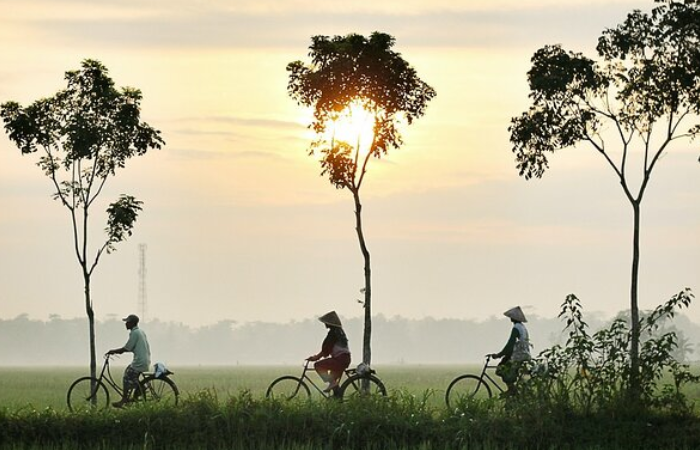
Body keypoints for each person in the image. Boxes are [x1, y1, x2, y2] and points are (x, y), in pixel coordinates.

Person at [106, 314, 151, 408]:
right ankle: (138, 388)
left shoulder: (135, 333)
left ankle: (125, 398)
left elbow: (127, 348)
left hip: (140, 362)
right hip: (144, 360)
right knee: (129, 373)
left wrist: (113, 351)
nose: (126, 324)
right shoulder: (140, 331)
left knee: (127, 377)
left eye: (127, 322)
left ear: (132, 323)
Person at [306, 311, 351, 396]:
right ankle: (337, 400)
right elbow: (326, 350)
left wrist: (315, 358)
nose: (325, 324)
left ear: (330, 323)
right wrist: (317, 356)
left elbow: (326, 349)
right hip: (344, 359)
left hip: (340, 359)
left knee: (318, 365)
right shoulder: (339, 332)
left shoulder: (333, 333)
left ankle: (333, 384)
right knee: (334, 385)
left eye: (326, 323)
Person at [489, 306, 531, 395]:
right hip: (524, 353)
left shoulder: (516, 328)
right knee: (506, 364)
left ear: (513, 318)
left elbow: (510, 344)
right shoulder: (522, 327)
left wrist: (499, 355)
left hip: (519, 355)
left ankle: (512, 389)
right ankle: (513, 391)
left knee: (501, 369)